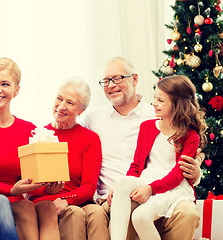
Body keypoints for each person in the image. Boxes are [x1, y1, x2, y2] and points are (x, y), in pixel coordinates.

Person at [83, 57, 204, 240]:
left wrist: (196, 173)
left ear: (135, 79)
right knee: (126, 195)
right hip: (128, 189)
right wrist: (120, 188)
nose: (111, 85)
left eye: (117, 78)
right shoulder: (94, 119)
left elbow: (186, 165)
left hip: (165, 188)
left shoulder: (158, 116)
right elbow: (136, 164)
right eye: (106, 81)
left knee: (186, 213)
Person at [0, 57, 60, 240]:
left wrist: (49, 189)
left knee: (47, 206)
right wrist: (12, 191)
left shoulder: (28, 129)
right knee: (26, 207)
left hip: (18, 197)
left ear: (16, 90)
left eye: (5, 84)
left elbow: (30, 184)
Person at [110, 75, 207, 240]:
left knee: (140, 217)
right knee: (121, 183)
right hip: (147, 179)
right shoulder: (147, 127)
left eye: (161, 100)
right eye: (155, 98)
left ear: (177, 105)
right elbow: (136, 165)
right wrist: (124, 189)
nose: (154, 103)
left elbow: (177, 175)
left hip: (173, 187)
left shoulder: (190, 136)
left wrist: (151, 189)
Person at [28, 78, 102, 240]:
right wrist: (50, 193)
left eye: (70, 103)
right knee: (74, 213)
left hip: (79, 199)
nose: (61, 106)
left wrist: (65, 200)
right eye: (59, 98)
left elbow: (89, 187)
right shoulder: (38, 135)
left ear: (81, 110)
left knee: (97, 212)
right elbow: (28, 185)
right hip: (44, 202)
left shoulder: (90, 139)